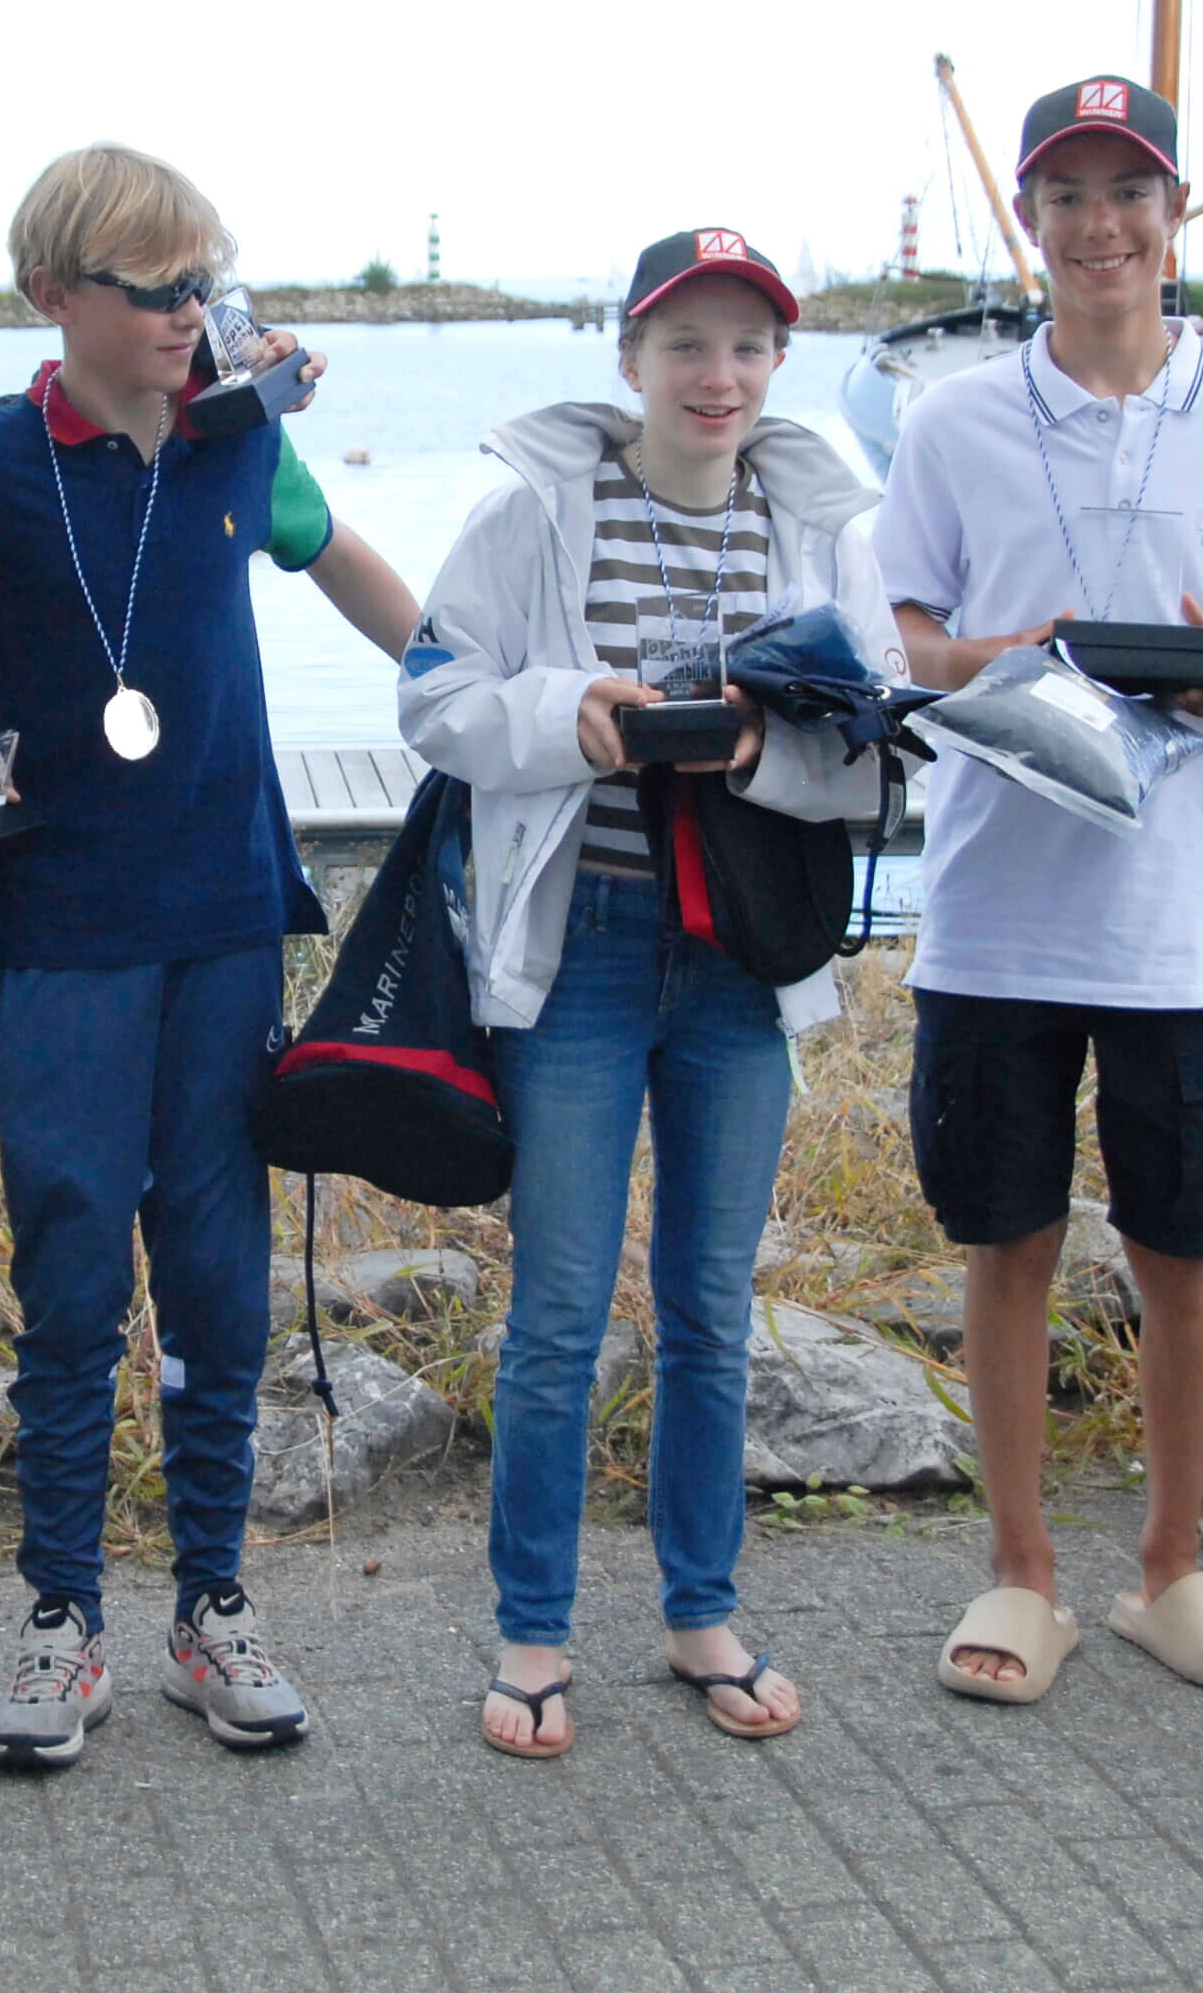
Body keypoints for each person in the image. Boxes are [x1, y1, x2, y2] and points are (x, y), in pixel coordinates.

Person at [0, 142, 419, 1768]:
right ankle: (63, 1614)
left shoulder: (239, 442)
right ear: (53, 296)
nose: (193, 314)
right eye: (157, 290)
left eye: (206, 282)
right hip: (60, 927)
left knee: (214, 1272)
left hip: (224, 915)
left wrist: (481, 688)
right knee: (68, 1268)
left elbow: (344, 563)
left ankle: (212, 1602)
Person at [395, 226, 900, 1759]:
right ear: (631, 356)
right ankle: (533, 1630)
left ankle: (703, 1612)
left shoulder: (820, 526)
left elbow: (881, 747)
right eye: (687, 343)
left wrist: (761, 747)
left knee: (710, 1305)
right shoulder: (537, 510)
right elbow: (435, 698)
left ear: (779, 363)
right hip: (586, 954)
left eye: (747, 345)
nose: (717, 375)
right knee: (557, 1311)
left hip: (739, 963)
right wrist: (578, 715)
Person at [875, 77, 1203, 1704]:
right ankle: (1021, 1570)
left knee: (1187, 1245)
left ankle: (1172, 1560)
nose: (1100, 227)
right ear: (1029, 217)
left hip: (1196, 913)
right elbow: (908, 633)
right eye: (1067, 195)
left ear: (1175, 211)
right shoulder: (951, 420)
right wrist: (994, 660)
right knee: (1003, 1237)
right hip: (1000, 903)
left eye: (1128, 192)